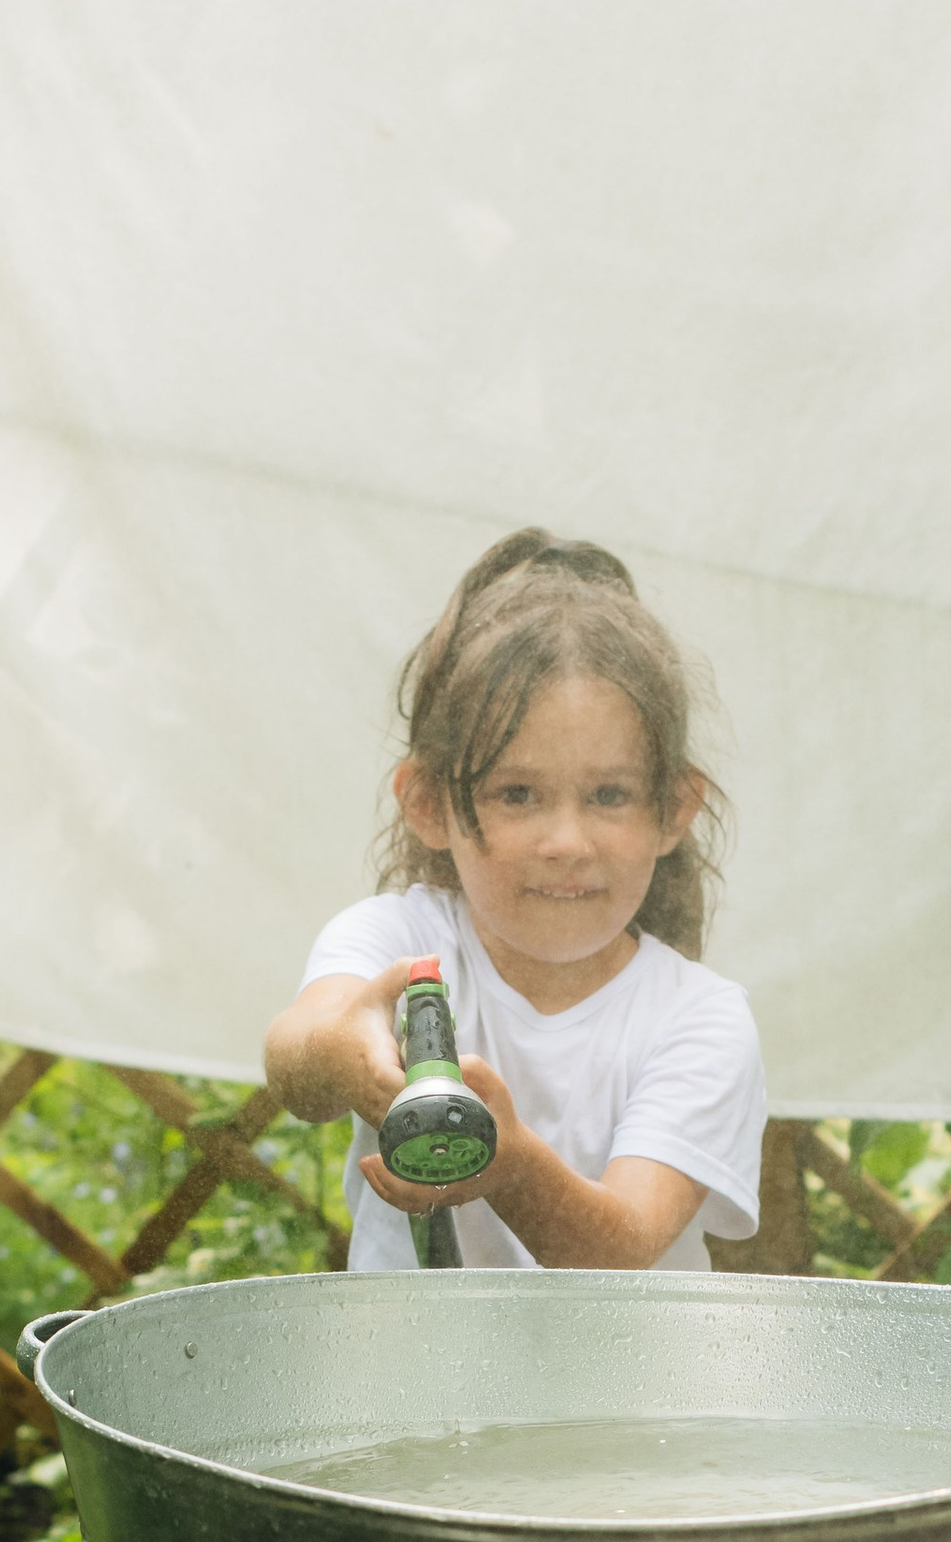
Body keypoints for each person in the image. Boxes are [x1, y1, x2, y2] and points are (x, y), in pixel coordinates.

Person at [264, 532, 767, 1270]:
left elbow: (621, 1249)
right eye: (518, 793)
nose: (566, 840)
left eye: (608, 794)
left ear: (673, 809)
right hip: (410, 1381)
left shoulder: (700, 1018)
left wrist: (505, 1163)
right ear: (429, 802)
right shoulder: (395, 939)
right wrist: (345, 1054)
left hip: (627, 1387)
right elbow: (294, 1057)